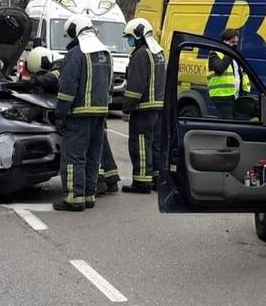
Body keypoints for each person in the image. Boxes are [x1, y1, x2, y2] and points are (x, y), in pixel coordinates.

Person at [26, 46, 120, 195]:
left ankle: (97, 183)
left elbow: (54, 80)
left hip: (83, 113)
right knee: (99, 149)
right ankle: (109, 180)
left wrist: (35, 81)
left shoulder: (59, 65)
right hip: (97, 111)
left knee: (80, 154)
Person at [53, 15, 112, 212]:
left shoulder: (77, 54)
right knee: (93, 157)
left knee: (74, 156)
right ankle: (89, 195)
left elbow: (68, 86)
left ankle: (74, 198)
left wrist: (60, 113)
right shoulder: (105, 53)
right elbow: (109, 85)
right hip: (100, 113)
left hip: (78, 114)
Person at [120, 18, 165, 193]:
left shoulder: (140, 55)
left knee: (140, 144)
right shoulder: (158, 51)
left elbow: (136, 85)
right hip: (158, 106)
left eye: (130, 37)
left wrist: (127, 108)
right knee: (155, 144)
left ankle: (141, 182)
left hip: (144, 108)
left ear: (138, 35)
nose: (129, 41)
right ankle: (155, 178)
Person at [207, 28, 249, 119]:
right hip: (222, 97)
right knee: (228, 123)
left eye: (236, 42)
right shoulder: (214, 54)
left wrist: (244, 91)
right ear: (224, 41)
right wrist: (229, 52)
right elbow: (219, 69)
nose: (235, 45)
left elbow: (241, 75)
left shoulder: (235, 56)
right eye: (232, 42)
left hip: (237, 96)